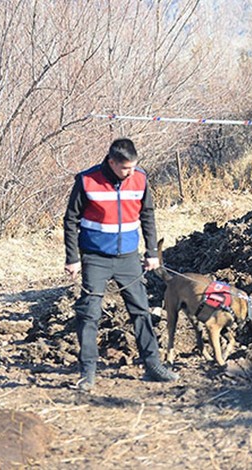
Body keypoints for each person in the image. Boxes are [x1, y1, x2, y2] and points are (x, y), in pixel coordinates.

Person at [63, 138, 178, 391]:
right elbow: (70, 220)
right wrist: (72, 258)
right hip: (94, 258)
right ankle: (88, 372)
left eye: (134, 167)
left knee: (141, 311)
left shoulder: (140, 178)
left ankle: (153, 365)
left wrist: (151, 252)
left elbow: (147, 214)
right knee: (89, 313)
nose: (130, 173)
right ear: (112, 162)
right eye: (125, 168)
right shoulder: (86, 180)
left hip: (128, 258)